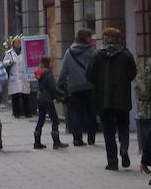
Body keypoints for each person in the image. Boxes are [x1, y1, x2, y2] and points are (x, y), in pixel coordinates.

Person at [85, 27, 137, 171]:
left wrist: (99, 82)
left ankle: (112, 162)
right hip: (122, 98)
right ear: (118, 39)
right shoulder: (126, 54)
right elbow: (133, 73)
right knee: (123, 126)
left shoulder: (97, 54)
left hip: (103, 99)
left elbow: (89, 74)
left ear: (105, 38)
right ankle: (124, 148)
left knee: (108, 131)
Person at [59, 28, 97, 146]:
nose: (91, 38)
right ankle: (91, 138)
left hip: (74, 87)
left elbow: (64, 69)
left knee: (76, 113)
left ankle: (77, 139)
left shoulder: (69, 52)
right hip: (89, 86)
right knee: (91, 112)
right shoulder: (92, 52)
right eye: (90, 36)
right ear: (85, 38)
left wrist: (60, 83)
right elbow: (97, 68)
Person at [33, 55, 68, 149]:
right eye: (52, 62)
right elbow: (53, 88)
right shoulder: (48, 74)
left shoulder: (40, 72)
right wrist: (64, 94)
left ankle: (37, 142)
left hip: (40, 98)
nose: (53, 64)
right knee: (55, 120)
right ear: (48, 63)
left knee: (41, 120)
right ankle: (56, 142)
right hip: (47, 98)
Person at [2, 37, 32, 118]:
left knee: (25, 95)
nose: (17, 44)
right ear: (13, 44)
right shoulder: (9, 53)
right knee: (15, 96)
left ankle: (28, 113)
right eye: (16, 42)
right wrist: (9, 62)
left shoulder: (25, 52)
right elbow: (4, 63)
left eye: (19, 42)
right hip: (14, 76)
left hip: (23, 76)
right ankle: (16, 113)